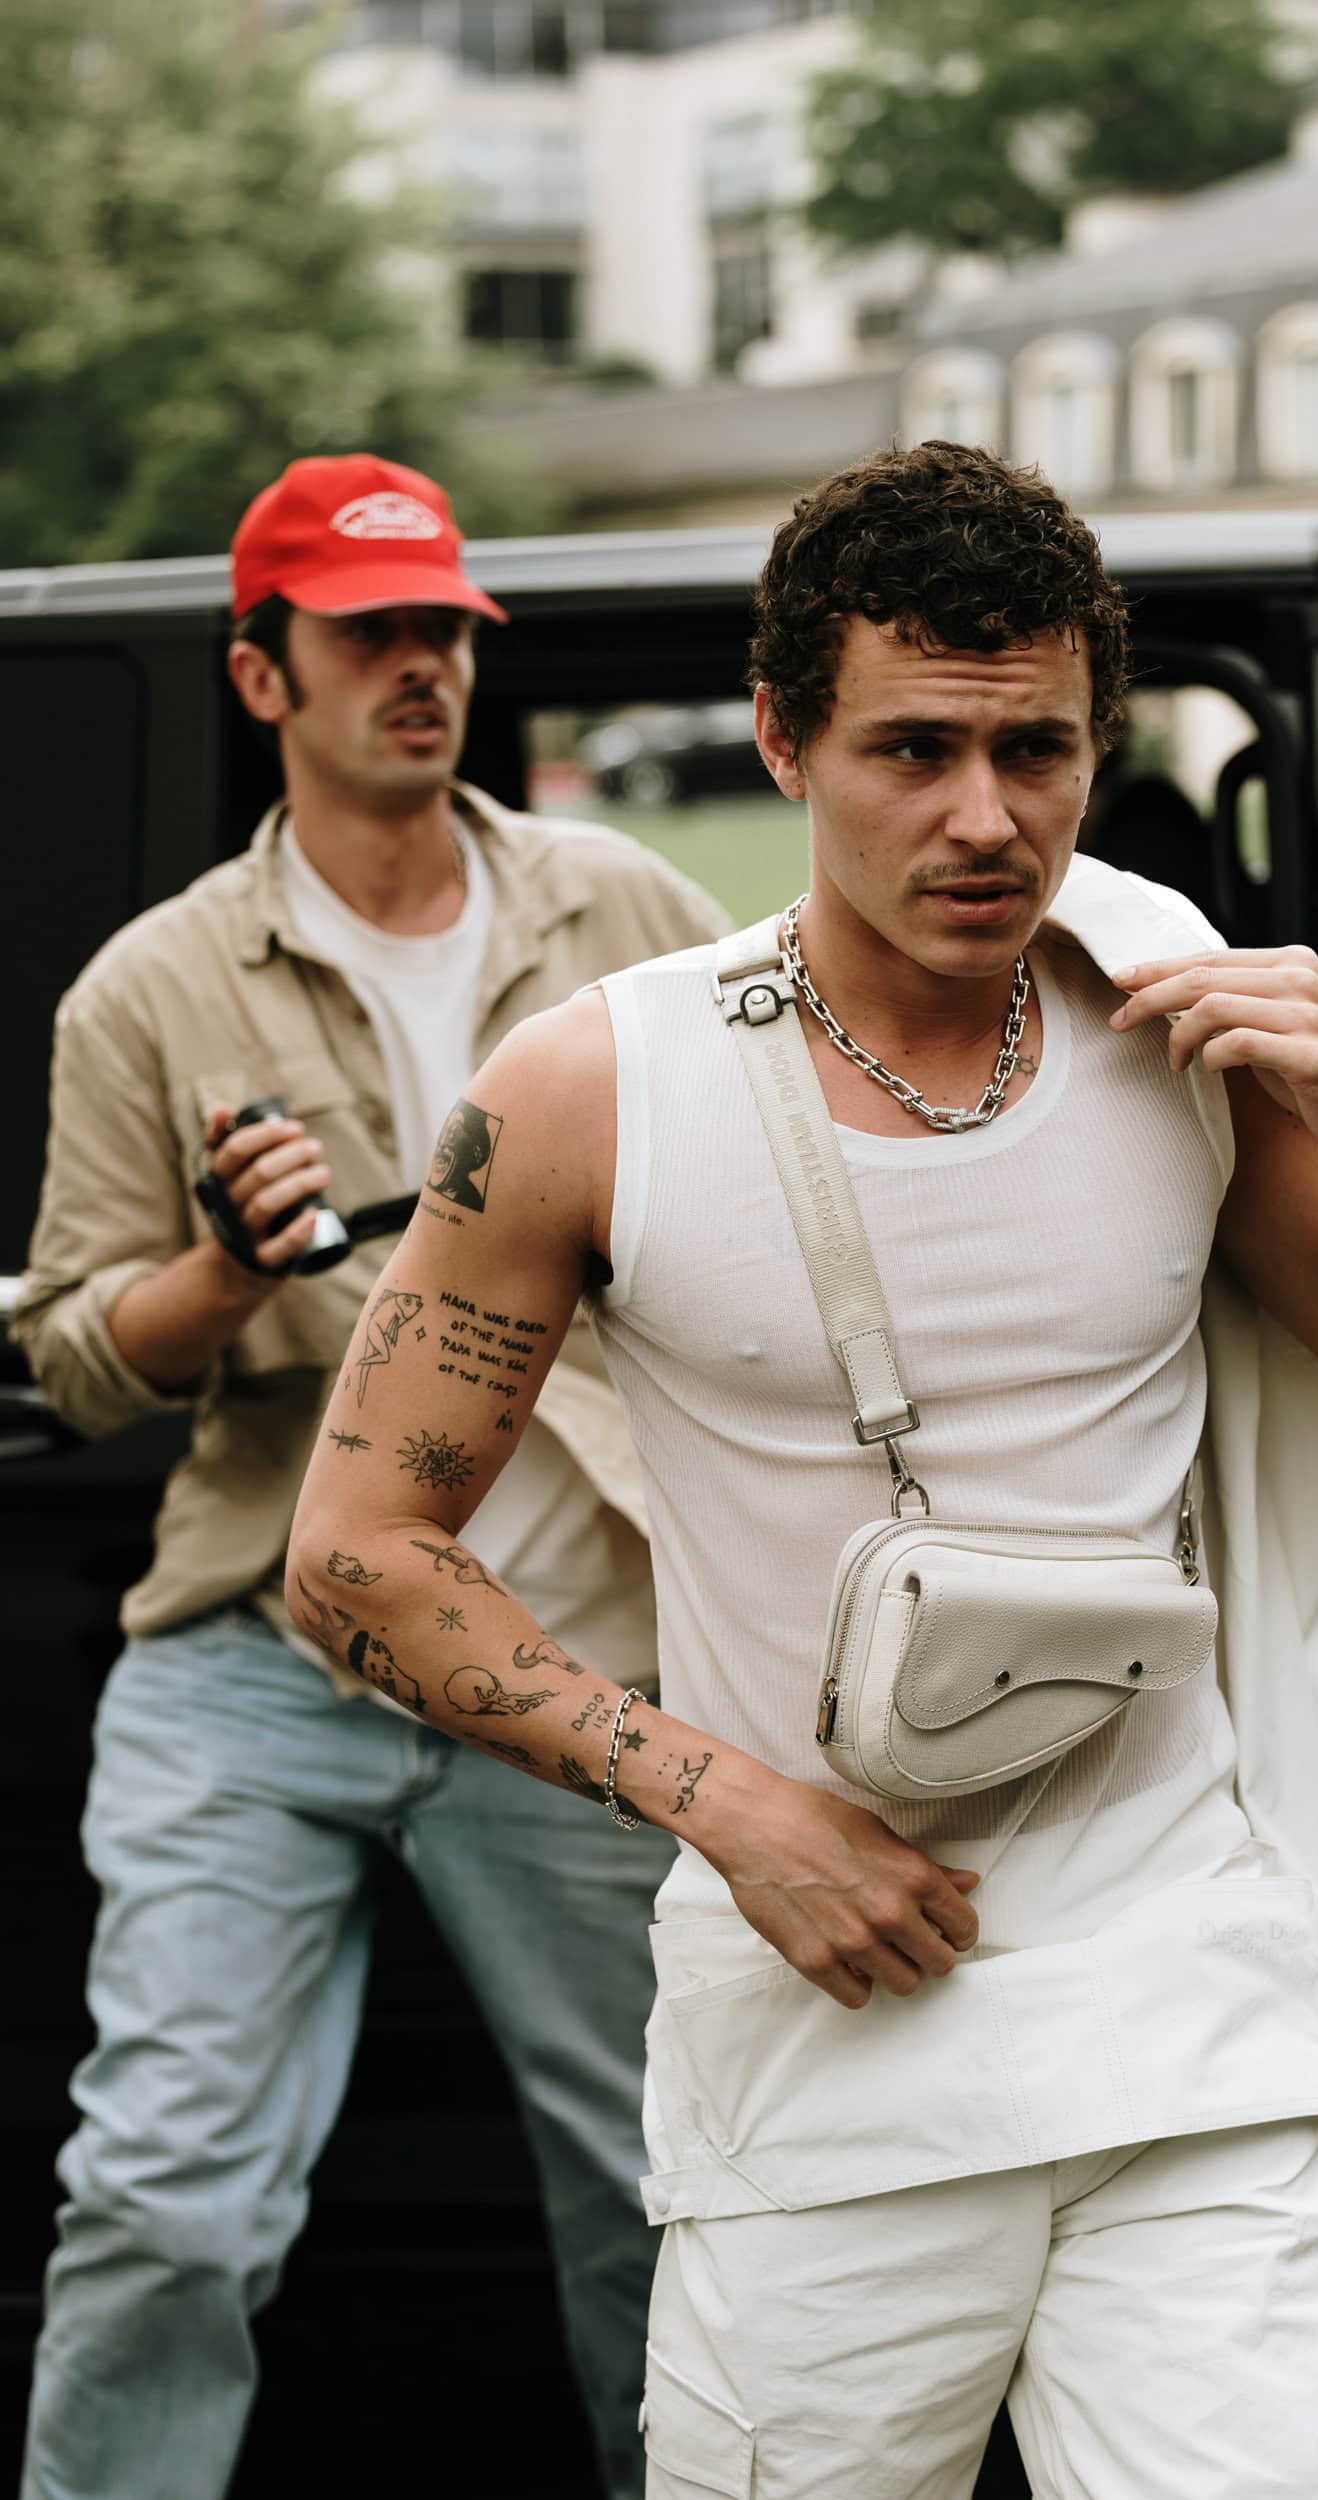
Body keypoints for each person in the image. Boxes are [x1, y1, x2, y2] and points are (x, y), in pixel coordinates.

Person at [286, 440, 1318, 2499]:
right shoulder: (599, 1089)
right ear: (784, 740)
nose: (985, 816)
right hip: (828, 2031)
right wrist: (732, 1807)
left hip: (1183, 2002)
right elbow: (355, 1552)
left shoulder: (1174, 1025)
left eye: (1038, 750)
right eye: (914, 750)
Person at [14, 452, 728, 2500]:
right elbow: (76, 1359)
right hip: (259, 1661)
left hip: (569, 1663)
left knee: (672, 2194)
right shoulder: (153, 983)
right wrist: (227, 1269)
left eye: (443, 630)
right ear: (263, 676)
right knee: (163, 2199)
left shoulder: (631, 913)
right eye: (367, 634)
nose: (421, 667)